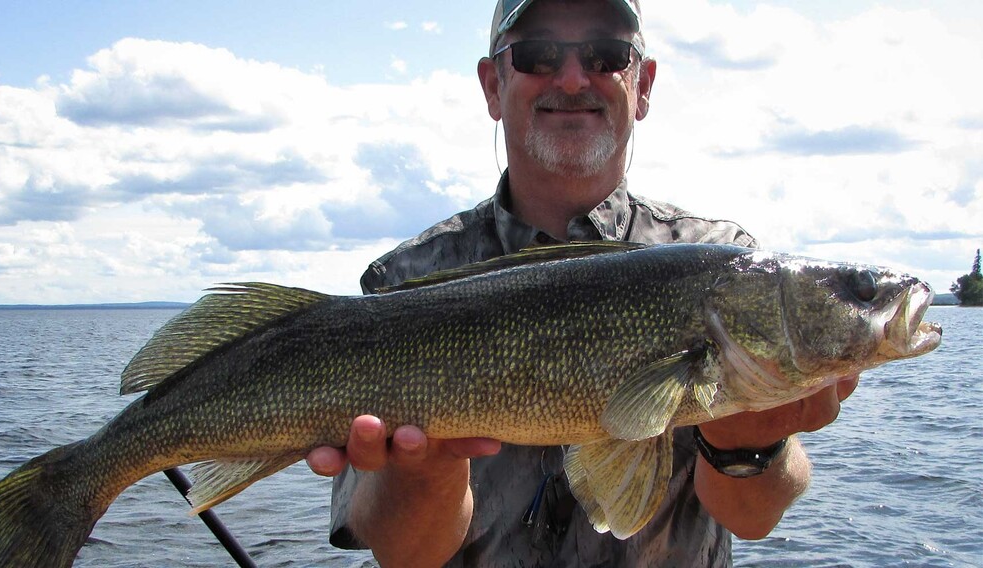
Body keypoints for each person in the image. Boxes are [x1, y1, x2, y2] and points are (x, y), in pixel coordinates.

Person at [305, 0, 858, 565]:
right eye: (538, 56)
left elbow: (752, 516)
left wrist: (753, 444)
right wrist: (429, 470)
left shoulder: (727, 268)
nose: (572, 79)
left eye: (605, 54)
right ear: (493, 85)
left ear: (642, 85)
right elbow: (405, 554)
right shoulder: (409, 283)